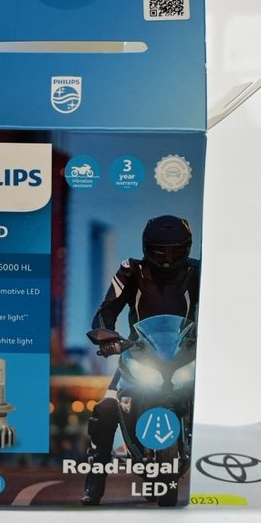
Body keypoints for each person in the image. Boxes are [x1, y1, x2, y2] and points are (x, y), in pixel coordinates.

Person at [81, 215, 200, 506]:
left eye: (175, 251)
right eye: (161, 251)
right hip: (138, 354)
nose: (168, 259)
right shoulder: (130, 270)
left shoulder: (199, 271)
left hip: (186, 354)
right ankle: (93, 487)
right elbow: (106, 310)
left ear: (187, 248)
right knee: (105, 410)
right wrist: (107, 336)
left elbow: (222, 307)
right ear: (147, 248)